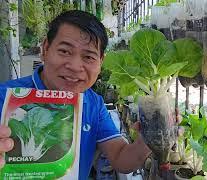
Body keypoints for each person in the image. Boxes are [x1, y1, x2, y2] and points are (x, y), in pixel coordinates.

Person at [0, 10, 151, 179]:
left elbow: (120, 158)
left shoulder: (94, 104)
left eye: (88, 57)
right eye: (65, 51)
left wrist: (150, 138)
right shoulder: (4, 98)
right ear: (45, 49)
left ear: (101, 61)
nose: (74, 66)